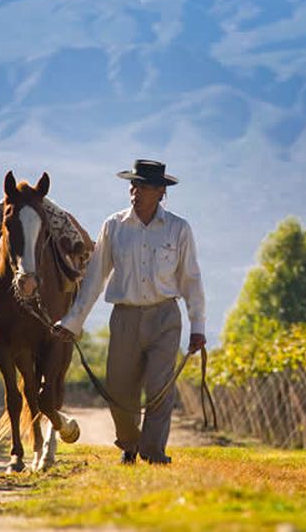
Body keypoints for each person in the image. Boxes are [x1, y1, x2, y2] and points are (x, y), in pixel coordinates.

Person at [52, 159, 205, 465]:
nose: (135, 191)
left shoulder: (179, 229)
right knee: (120, 389)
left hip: (165, 317)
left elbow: (191, 279)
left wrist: (197, 326)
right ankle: (130, 443)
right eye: (133, 185)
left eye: (144, 186)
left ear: (161, 192)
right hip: (124, 318)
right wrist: (72, 322)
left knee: (160, 388)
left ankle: (153, 452)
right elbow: (95, 278)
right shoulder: (113, 226)